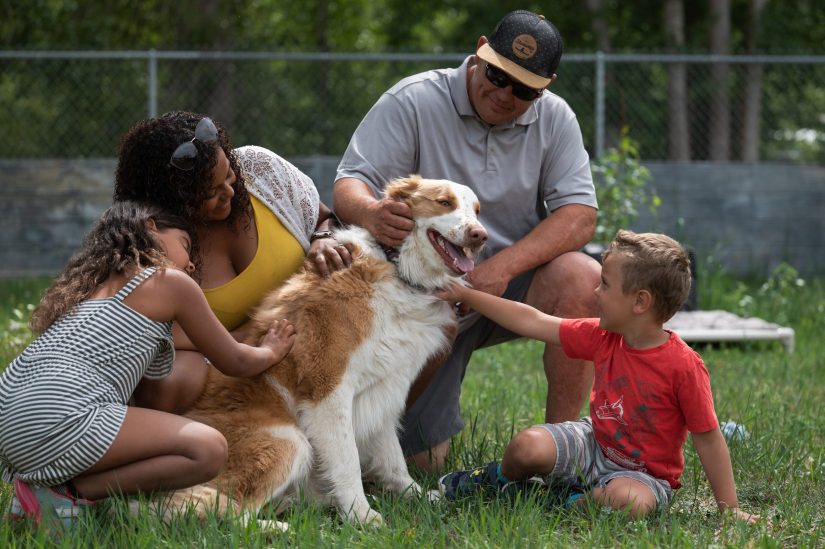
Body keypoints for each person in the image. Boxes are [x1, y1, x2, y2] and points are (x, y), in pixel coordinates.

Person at [333, 9, 600, 470]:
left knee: (583, 278)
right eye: (497, 75)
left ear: (546, 86)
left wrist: (501, 269)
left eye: (523, 90)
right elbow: (349, 184)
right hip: (419, 295)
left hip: (502, 287)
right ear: (479, 52)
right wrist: (373, 212)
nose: (503, 93)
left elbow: (580, 217)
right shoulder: (413, 100)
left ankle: (562, 457)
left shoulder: (556, 119)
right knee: (425, 465)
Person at [0, 201, 295, 530]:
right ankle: (66, 494)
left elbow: (202, 340)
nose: (192, 267)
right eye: (186, 245)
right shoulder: (168, 281)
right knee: (207, 449)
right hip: (63, 414)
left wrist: (243, 334)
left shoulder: (92, 290)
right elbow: (235, 360)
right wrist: (270, 351)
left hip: (12, 421)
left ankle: (37, 494)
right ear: (152, 227)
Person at [436, 230, 761, 523]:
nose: (595, 291)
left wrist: (729, 509)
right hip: (594, 444)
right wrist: (467, 294)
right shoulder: (603, 336)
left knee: (628, 502)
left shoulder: (685, 366)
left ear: (640, 301)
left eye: (605, 284)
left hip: (643, 476)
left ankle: (559, 500)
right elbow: (532, 321)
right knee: (527, 446)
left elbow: (708, 438)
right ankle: (499, 479)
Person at [113, 111, 351, 414]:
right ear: (175, 202)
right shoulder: (156, 240)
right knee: (165, 384)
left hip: (311, 328)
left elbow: (325, 219)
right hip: (222, 356)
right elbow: (157, 334)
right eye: (211, 193)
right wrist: (252, 339)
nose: (229, 191)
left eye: (228, 174)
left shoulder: (259, 169)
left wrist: (323, 237)